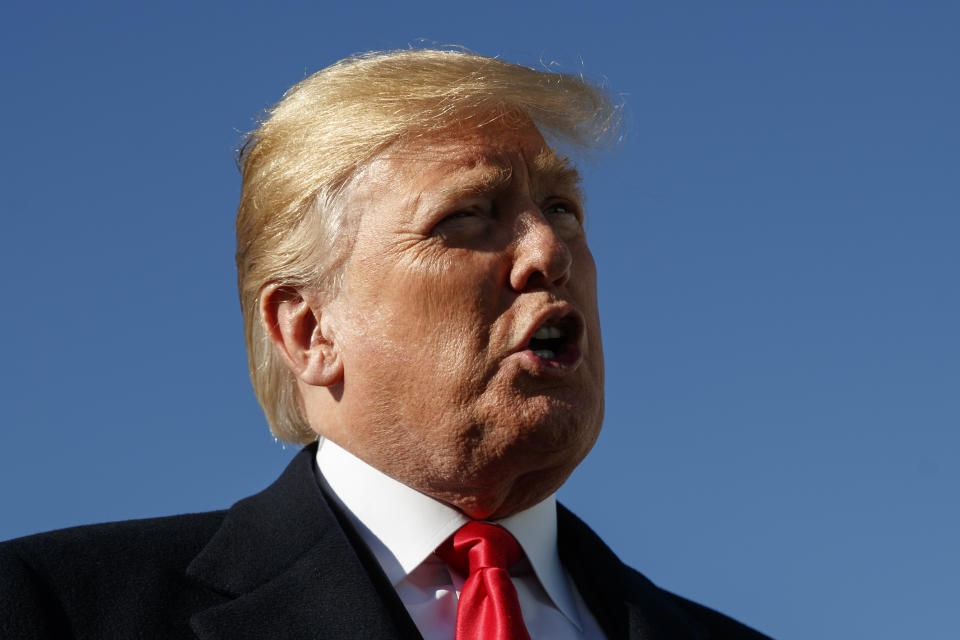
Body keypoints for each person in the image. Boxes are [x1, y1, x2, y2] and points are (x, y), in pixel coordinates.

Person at [0, 49, 771, 639]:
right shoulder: (51, 608)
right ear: (309, 330)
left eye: (563, 208)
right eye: (467, 215)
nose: (548, 251)